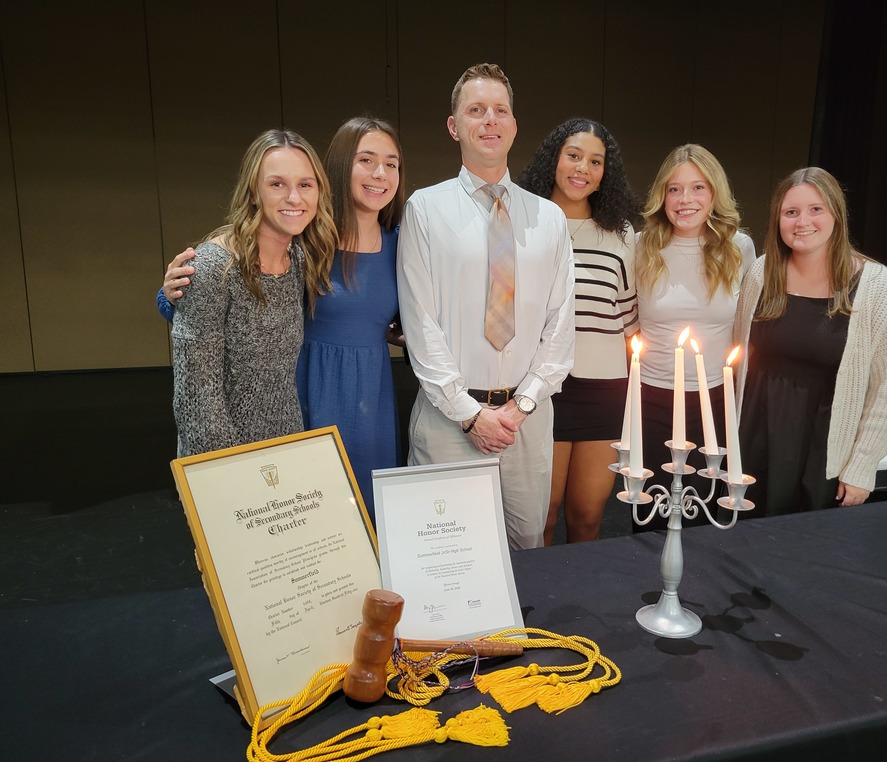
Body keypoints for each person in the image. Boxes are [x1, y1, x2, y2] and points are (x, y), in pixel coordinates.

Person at [158, 118, 406, 521]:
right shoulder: (278, 247)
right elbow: (198, 384)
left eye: (391, 163)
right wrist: (170, 295)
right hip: (279, 418)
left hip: (336, 418)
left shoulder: (379, 245)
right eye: (366, 159)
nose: (380, 173)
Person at [396, 63, 575, 550]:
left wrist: (520, 407)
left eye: (500, 111)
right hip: (448, 420)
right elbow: (421, 321)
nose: (490, 120)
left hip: (527, 420)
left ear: (514, 126)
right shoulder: (424, 210)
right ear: (455, 126)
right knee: (445, 557)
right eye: (476, 110)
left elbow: (561, 326)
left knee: (526, 550)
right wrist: (470, 415)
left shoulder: (549, 218)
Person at [733, 167, 887, 515]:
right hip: (756, 436)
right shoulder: (760, 273)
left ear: (837, 214)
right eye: (791, 212)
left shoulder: (881, 289)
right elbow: (741, 356)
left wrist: (862, 466)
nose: (803, 221)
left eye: (816, 209)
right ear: (778, 220)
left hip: (825, 445)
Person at [172, 128, 337, 456]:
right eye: (277, 184)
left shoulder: (299, 258)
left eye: (305, 185)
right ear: (252, 192)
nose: (294, 198)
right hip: (224, 459)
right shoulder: (213, 268)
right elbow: (197, 399)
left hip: (285, 446)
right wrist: (231, 470)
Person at [517, 118, 641, 544]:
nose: (582, 169)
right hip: (541, 388)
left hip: (605, 389)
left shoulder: (622, 235)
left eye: (595, 161)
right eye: (573, 155)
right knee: (542, 515)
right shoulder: (523, 223)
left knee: (588, 515)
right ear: (554, 158)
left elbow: (628, 317)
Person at [635, 144, 756, 529]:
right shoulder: (641, 246)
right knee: (647, 513)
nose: (685, 199)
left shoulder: (739, 249)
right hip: (650, 398)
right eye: (674, 189)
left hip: (713, 401)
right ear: (662, 196)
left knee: (702, 514)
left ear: (715, 192)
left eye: (698, 187)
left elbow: (746, 331)